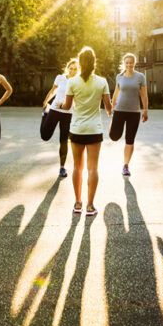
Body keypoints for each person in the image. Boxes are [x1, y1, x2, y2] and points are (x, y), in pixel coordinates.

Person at [61, 47, 113, 216]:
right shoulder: (102, 82)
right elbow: (108, 108)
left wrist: (60, 104)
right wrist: (113, 105)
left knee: (77, 167)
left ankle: (77, 204)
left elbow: (67, 106)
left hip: (76, 129)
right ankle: (90, 206)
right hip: (94, 130)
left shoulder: (72, 82)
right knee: (93, 169)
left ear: (80, 62)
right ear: (94, 62)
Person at [109, 53, 148, 176]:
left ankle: (125, 165)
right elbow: (116, 92)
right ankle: (112, 125)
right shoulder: (119, 77)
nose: (129, 64)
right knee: (114, 136)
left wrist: (145, 110)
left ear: (134, 63)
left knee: (129, 140)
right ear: (124, 63)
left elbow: (144, 95)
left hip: (134, 113)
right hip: (119, 111)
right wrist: (111, 106)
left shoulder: (140, 77)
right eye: (127, 62)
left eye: (131, 62)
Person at [40, 58, 79, 178]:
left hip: (68, 113)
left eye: (75, 69)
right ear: (67, 68)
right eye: (70, 68)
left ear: (78, 70)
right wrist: (45, 102)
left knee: (63, 140)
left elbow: (78, 99)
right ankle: (44, 115)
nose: (72, 71)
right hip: (54, 110)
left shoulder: (79, 81)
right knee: (45, 136)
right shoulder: (60, 78)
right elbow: (53, 91)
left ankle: (62, 167)